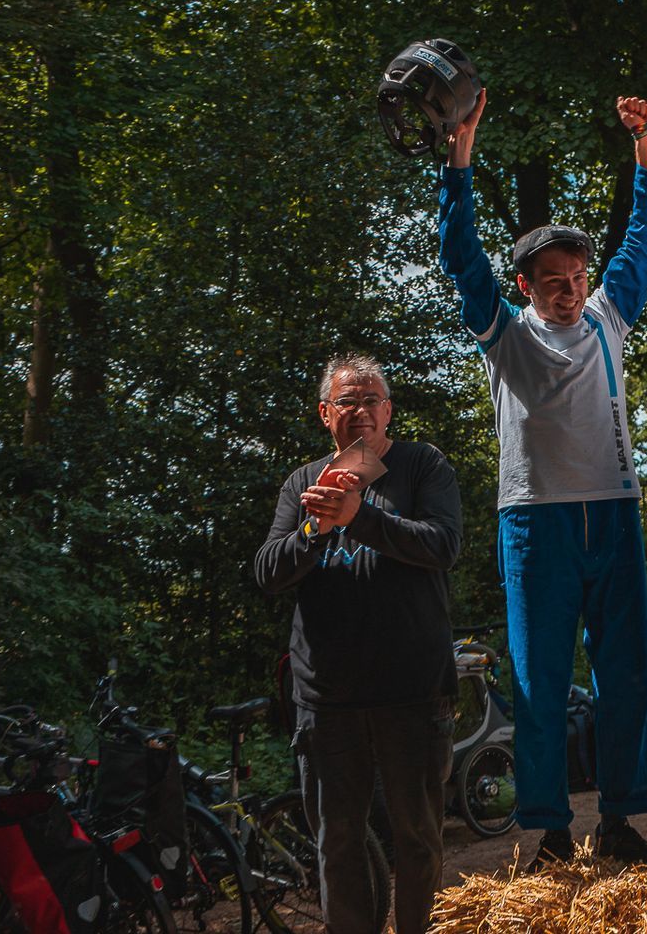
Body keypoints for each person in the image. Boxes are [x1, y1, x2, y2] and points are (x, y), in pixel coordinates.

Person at [434, 91, 647, 868]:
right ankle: (550, 830)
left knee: (625, 678)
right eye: (551, 280)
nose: (568, 288)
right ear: (527, 286)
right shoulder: (503, 333)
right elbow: (461, 255)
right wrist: (459, 162)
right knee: (537, 682)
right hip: (535, 523)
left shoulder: (608, 316)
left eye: (575, 275)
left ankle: (624, 822)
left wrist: (645, 155)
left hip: (614, 513)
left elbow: (642, 236)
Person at [254, 354, 463, 934]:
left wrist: (361, 516)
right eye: (348, 401)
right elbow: (268, 571)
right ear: (326, 414)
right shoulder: (302, 484)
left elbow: (443, 545)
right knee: (337, 844)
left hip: (412, 693)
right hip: (328, 702)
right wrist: (314, 528)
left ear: (388, 410)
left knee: (418, 840)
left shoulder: (422, 467)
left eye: (372, 399)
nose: (362, 411)